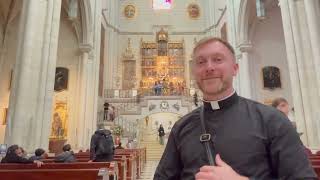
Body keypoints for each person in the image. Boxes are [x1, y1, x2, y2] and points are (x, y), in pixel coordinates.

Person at [154, 37, 317, 179]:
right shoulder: (181, 127)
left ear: (235, 68)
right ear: (194, 72)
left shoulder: (271, 120)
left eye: (217, 59)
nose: (209, 67)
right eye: (201, 62)